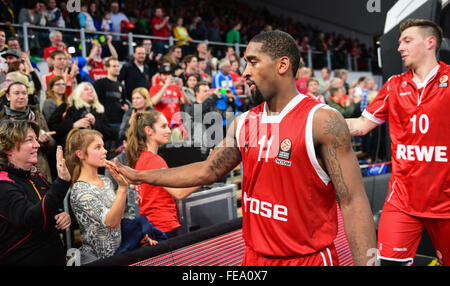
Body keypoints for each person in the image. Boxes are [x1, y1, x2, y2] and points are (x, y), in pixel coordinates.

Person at [108, 30, 377, 266]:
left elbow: (353, 202)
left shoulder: (322, 120)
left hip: (308, 259)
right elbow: (205, 172)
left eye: (253, 61)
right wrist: (139, 175)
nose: (245, 72)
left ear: (282, 65)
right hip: (254, 257)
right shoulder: (244, 122)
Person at [346, 19, 450, 266]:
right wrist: (311, 117)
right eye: (400, 41)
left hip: (446, 203)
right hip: (402, 201)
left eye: (407, 40)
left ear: (430, 42)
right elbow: (360, 126)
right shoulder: (394, 85)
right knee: (389, 264)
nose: (399, 47)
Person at [65, 128, 157, 264]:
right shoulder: (80, 190)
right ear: (80, 154)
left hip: (119, 253)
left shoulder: (105, 180)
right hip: (97, 260)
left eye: (103, 146)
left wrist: (136, 240)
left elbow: (119, 216)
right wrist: (122, 188)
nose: (105, 151)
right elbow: (112, 222)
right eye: (98, 147)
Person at [0, 120, 71, 265]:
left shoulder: (36, 176)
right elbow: (33, 219)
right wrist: (61, 182)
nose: (37, 145)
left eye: (36, 139)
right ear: (8, 149)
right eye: (29, 140)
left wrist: (61, 216)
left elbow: (48, 209)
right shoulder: (3, 184)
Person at [125, 111, 200, 238]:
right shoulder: (154, 160)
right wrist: (208, 177)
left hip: (153, 226)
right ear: (148, 130)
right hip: (164, 226)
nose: (169, 131)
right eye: (163, 126)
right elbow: (179, 193)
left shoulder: (142, 159)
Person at [0, 81, 56, 182]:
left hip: (40, 170)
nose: (21, 97)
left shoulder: (37, 116)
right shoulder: (2, 119)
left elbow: (52, 145)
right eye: (17, 93)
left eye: (24, 93)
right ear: (8, 96)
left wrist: (46, 140)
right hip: (10, 172)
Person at [48, 82, 115, 149]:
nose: (91, 91)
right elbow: (52, 128)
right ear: (78, 93)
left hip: (95, 153)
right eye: (86, 89)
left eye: (92, 90)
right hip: (71, 152)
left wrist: (95, 122)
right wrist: (73, 125)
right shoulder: (66, 107)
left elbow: (110, 133)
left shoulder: (99, 111)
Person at [94, 57, 129, 149]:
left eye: (118, 66)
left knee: (118, 150)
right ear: (107, 68)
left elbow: (124, 100)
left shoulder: (121, 86)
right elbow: (95, 101)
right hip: (105, 123)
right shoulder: (100, 83)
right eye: (114, 66)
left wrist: (126, 106)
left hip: (119, 122)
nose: (117, 68)